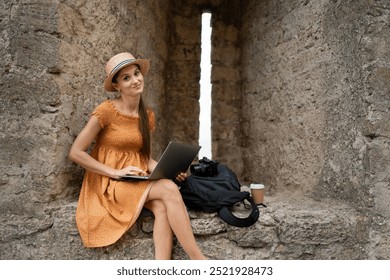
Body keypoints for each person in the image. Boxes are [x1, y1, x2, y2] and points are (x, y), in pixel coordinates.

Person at [69, 52, 206, 260]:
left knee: (162, 206)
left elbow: (146, 160)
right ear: (117, 86)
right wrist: (115, 172)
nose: (135, 80)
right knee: (168, 190)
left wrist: (169, 171)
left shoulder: (146, 115)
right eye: (126, 78)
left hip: (135, 179)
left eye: (136, 73)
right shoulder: (106, 111)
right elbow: (76, 152)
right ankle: (200, 261)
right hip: (109, 183)